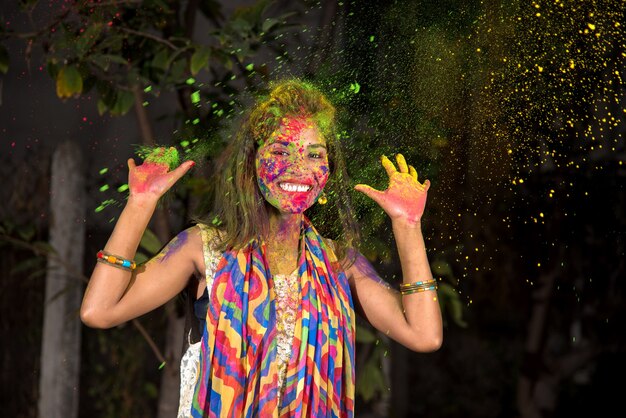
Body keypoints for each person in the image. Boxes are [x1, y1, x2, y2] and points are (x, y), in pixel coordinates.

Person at [80, 79, 443, 417]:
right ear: (252, 163)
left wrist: (408, 227)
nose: (299, 168)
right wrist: (140, 204)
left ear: (329, 170)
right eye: (282, 151)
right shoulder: (204, 248)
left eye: (315, 155)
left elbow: (424, 335)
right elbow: (99, 311)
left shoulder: (339, 262)